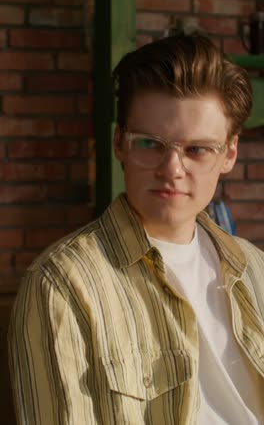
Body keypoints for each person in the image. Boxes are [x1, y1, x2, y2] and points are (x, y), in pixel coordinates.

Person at [8, 34, 264, 425]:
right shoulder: (63, 284)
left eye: (197, 149)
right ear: (119, 144)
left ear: (229, 153)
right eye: (150, 143)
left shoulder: (255, 269)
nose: (172, 169)